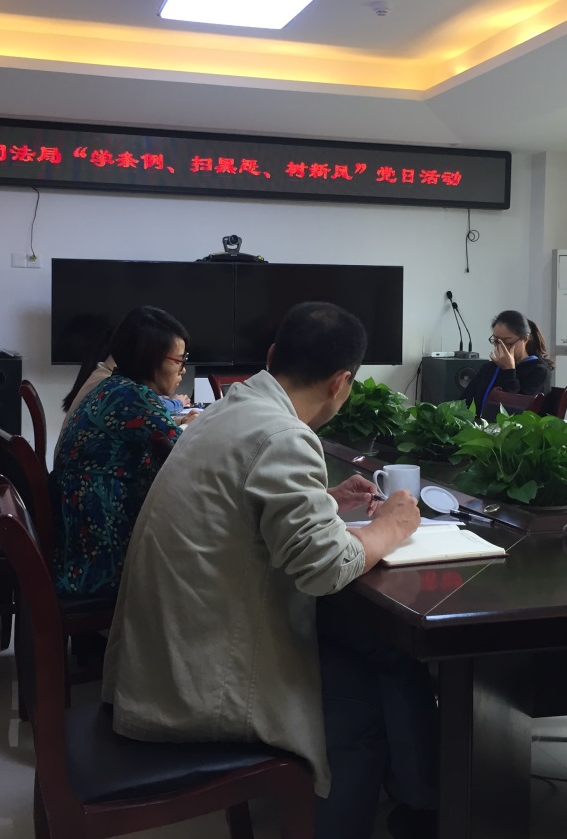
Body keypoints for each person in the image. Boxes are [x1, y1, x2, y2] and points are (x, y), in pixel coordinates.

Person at [101, 302, 435, 839]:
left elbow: (241, 501)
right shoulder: (284, 435)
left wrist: (323, 499)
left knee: (377, 653)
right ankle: (420, 803)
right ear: (341, 382)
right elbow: (325, 567)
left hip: (164, 650)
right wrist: (393, 525)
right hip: (197, 679)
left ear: (274, 354)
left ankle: (424, 802)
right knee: (359, 705)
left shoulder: (232, 408)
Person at [53, 306, 194, 601]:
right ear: (152, 358)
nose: (183, 369)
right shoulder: (131, 396)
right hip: (100, 558)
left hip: (79, 542)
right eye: (179, 360)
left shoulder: (113, 387)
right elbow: (187, 454)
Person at [56, 329, 194, 463]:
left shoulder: (112, 382)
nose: (183, 369)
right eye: (179, 360)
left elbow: (144, 425)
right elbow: (181, 450)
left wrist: (182, 422)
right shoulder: (130, 393)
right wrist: (191, 426)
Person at [461, 311, 554, 417]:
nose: (501, 347)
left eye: (508, 343)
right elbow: (464, 402)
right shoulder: (489, 368)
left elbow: (516, 413)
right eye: (496, 341)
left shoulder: (538, 371)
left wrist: (509, 371)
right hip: (479, 425)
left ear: (525, 338)